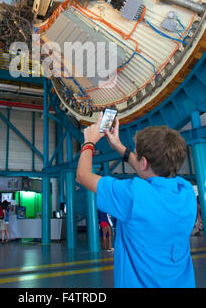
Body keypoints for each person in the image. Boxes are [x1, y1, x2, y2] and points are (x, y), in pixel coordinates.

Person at [76, 114, 197, 288]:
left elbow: (82, 175)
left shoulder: (132, 195)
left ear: (145, 162)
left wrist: (89, 142)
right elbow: (146, 170)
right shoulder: (186, 191)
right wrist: (118, 146)